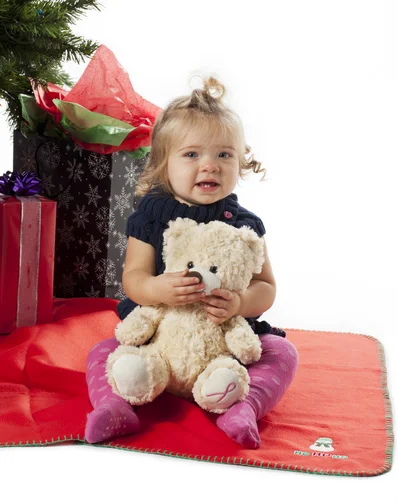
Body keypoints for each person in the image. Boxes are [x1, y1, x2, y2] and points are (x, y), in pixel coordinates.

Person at [85, 77, 298, 449]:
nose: (210, 166)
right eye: (192, 154)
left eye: (224, 155)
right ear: (163, 164)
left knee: (282, 352)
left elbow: (266, 286)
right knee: (103, 351)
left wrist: (240, 303)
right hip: (161, 339)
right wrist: (157, 290)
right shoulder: (151, 215)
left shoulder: (245, 225)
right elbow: (133, 276)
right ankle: (113, 405)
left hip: (224, 341)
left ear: (240, 162)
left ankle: (243, 405)